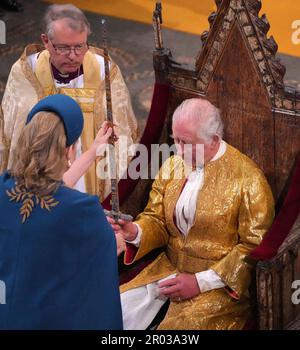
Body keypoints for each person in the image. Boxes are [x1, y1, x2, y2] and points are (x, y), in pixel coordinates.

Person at [108, 98, 275, 330]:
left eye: (185, 142)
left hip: (216, 287)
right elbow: (156, 218)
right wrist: (135, 231)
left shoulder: (248, 180)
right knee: (113, 312)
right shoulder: (174, 164)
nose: (177, 149)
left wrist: (199, 282)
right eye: (174, 139)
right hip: (167, 269)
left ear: (213, 140)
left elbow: (253, 246)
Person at [0, 94, 123, 330]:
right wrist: (114, 241)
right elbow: (98, 274)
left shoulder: (4, 188)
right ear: (68, 150)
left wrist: (94, 151)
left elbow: (47, 195)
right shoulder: (83, 210)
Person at [0, 3, 138, 199]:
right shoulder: (25, 73)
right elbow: (12, 135)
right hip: (40, 176)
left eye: (80, 47)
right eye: (63, 48)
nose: (73, 56)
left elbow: (122, 132)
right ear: (46, 41)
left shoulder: (104, 72)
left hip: (89, 174)